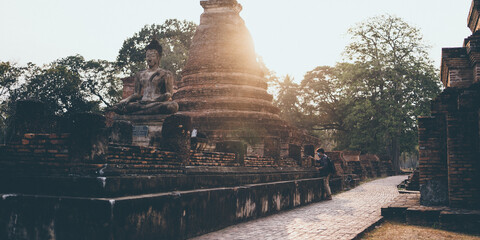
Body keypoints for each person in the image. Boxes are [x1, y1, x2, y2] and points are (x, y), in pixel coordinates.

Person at [112, 39, 178, 115]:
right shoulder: (140, 74)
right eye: (147, 56)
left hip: (156, 103)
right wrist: (126, 100)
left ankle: (138, 113)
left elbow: (169, 94)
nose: (149, 59)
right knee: (117, 107)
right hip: (142, 103)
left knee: (172, 106)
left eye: (152, 56)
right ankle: (143, 112)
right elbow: (137, 94)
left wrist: (154, 100)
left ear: (158, 57)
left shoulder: (166, 74)